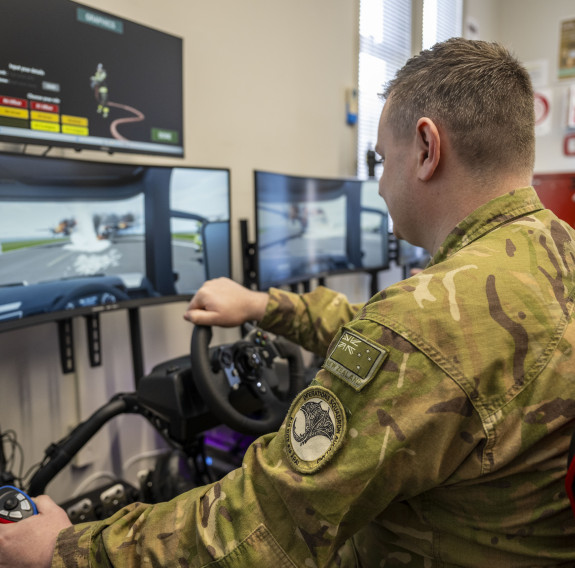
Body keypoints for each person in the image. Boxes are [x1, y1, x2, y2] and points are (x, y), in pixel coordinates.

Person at [2, 37, 575, 567]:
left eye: (380, 159)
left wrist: (64, 549)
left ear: (427, 147)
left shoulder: (422, 322)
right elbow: (422, 354)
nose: (377, 184)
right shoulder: (554, 252)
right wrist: (262, 305)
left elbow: (257, 527)